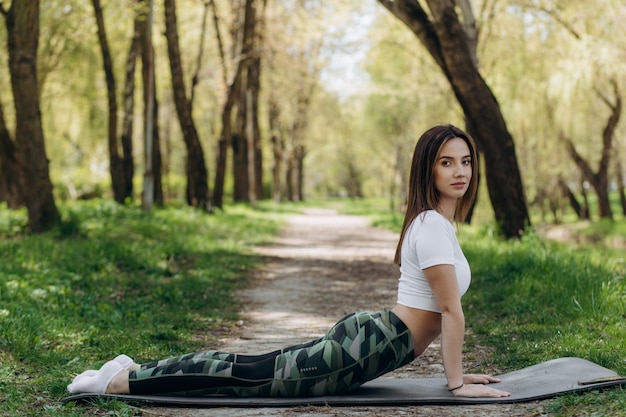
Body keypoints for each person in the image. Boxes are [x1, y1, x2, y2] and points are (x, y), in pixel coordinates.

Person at [68, 124, 510, 399]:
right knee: (246, 377)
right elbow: (449, 312)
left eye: (466, 161)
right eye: (446, 161)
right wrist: (456, 386)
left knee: (248, 369)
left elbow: (437, 312)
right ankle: (119, 381)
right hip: (371, 345)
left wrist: (459, 372)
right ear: (427, 169)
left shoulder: (436, 224)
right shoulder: (432, 225)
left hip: (374, 339)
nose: (460, 171)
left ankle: (128, 371)